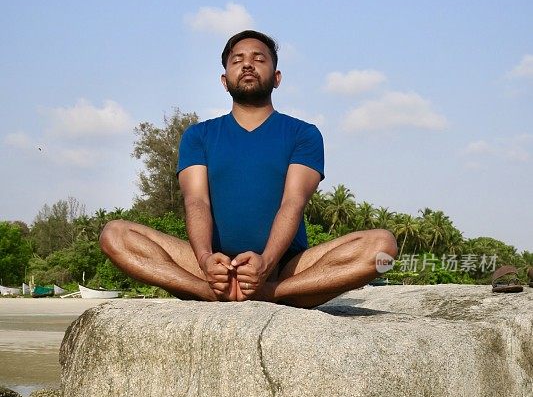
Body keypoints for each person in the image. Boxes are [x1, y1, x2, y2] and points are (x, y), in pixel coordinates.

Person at [100, 30, 397, 308]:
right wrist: (204, 260)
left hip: (286, 269)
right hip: (210, 268)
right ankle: (209, 291)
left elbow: (293, 202)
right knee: (114, 234)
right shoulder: (198, 136)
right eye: (237, 60)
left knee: (383, 248)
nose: (247, 65)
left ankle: (270, 294)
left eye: (259, 59)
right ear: (224, 79)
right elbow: (196, 201)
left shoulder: (302, 134)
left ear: (277, 77)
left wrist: (266, 264)